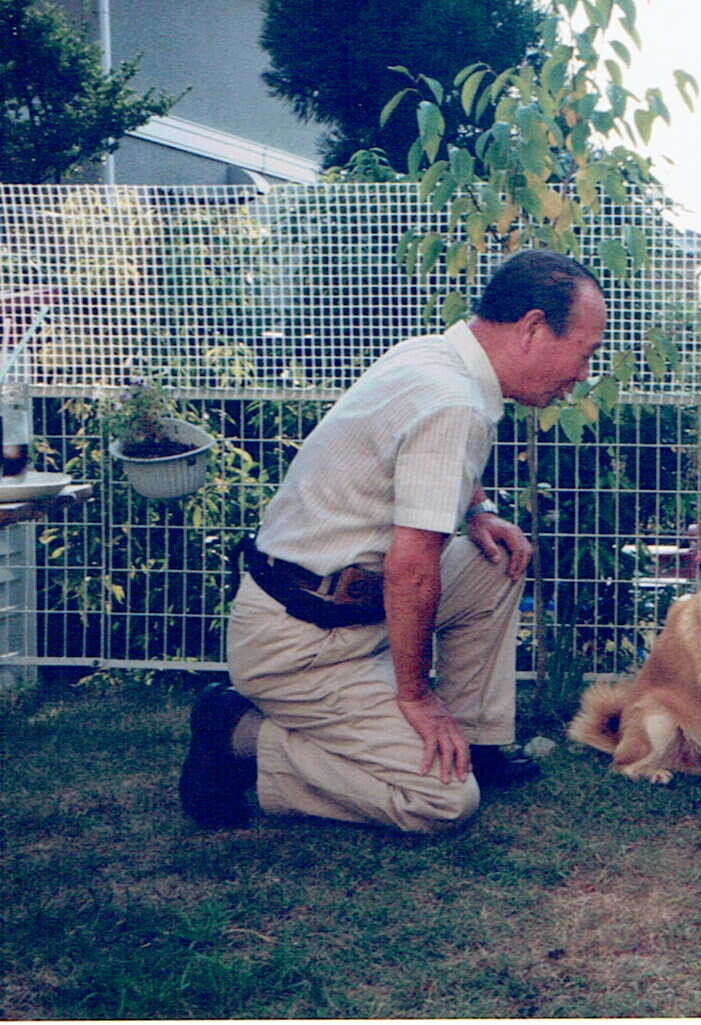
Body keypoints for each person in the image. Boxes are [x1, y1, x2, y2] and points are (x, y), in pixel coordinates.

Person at [179, 250, 606, 833]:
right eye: (584, 352)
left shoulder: (438, 359)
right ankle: (241, 737)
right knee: (441, 802)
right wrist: (416, 695)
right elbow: (411, 569)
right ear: (532, 327)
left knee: (493, 561)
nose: (583, 373)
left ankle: (476, 744)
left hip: (344, 601)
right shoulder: (453, 400)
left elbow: (416, 452)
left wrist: (477, 509)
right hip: (302, 644)